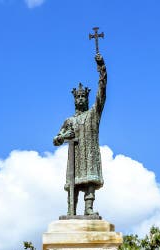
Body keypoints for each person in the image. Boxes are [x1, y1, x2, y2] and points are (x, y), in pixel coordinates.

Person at [53, 53, 107, 216]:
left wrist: (102, 69)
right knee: (73, 183)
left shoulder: (93, 114)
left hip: (89, 155)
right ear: (74, 99)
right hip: (75, 157)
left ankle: (88, 209)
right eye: (79, 97)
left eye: (84, 96)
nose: (81, 99)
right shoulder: (69, 120)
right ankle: (71, 211)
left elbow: (102, 94)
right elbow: (56, 139)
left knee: (89, 179)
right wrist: (62, 136)